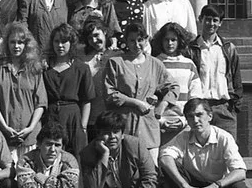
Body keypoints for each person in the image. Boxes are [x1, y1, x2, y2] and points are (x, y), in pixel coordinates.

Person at [159, 99, 249, 188]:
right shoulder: (183, 137)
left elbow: (241, 171)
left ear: (210, 116)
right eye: (190, 116)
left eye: (199, 115)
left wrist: (215, 186)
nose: (195, 120)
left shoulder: (224, 138)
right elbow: (165, 158)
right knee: (168, 167)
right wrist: (186, 187)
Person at [80, 111, 169, 188]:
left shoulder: (135, 145)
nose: (112, 137)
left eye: (116, 132)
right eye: (106, 132)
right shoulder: (88, 153)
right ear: (98, 135)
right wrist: (104, 155)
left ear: (122, 134)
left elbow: (151, 178)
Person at [104, 22, 179, 163]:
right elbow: (109, 93)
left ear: (146, 40)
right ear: (126, 41)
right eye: (132, 40)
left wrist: (162, 106)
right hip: (124, 126)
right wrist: (135, 102)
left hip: (148, 128)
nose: (137, 44)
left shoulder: (155, 64)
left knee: (150, 171)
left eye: (140, 40)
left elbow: (173, 86)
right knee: (125, 170)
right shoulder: (116, 62)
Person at [0, 22, 47, 163]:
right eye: (12, 42)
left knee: (29, 179)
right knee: (5, 181)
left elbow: (41, 103)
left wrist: (30, 128)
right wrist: (5, 128)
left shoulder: (35, 68)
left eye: (20, 42)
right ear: (6, 43)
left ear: (27, 44)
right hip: (4, 134)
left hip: (30, 136)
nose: (16, 46)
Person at [189, 4, 243, 140]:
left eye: (215, 20)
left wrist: (235, 104)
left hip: (224, 107)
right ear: (200, 19)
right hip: (200, 106)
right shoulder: (191, 49)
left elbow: (236, 78)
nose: (211, 23)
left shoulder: (228, 48)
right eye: (207, 19)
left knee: (229, 150)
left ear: (220, 23)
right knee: (199, 148)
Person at [15, 122, 79, 188]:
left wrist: (45, 180)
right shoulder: (25, 160)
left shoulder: (69, 160)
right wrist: (57, 186)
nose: (53, 150)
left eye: (57, 145)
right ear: (39, 144)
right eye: (48, 144)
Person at [43, 23, 94, 158]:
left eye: (64, 41)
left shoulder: (81, 68)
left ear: (71, 43)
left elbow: (87, 100)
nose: (60, 45)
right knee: (52, 156)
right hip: (51, 116)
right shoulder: (45, 67)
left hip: (73, 118)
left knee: (76, 158)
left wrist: (82, 127)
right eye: (56, 41)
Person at [151, 22, 203, 145]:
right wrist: (160, 120)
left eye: (173, 40)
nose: (170, 43)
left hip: (184, 124)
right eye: (166, 40)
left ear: (179, 41)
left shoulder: (189, 64)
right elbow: (149, 95)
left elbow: (195, 96)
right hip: (159, 124)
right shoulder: (154, 63)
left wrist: (186, 120)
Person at [80, 17, 122, 141]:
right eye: (89, 38)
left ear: (104, 32)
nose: (94, 40)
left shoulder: (118, 55)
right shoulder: (82, 57)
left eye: (96, 35)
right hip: (89, 116)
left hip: (111, 116)